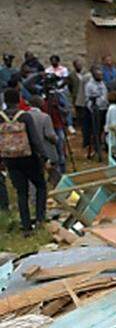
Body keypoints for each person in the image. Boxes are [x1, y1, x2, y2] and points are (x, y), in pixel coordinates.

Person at [1, 87, 49, 234]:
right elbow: (34, 139)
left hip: (10, 159)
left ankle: (26, 225)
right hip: (29, 158)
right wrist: (44, 156)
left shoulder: (0, 117)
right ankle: (40, 218)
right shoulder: (25, 116)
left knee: (22, 192)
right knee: (41, 186)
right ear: (19, 100)